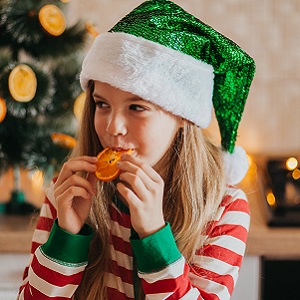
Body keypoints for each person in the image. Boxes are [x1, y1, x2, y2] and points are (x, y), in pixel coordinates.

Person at [18, 0, 255, 299]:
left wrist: (155, 236)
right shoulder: (68, 193)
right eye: (102, 104)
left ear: (182, 116)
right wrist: (66, 237)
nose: (113, 126)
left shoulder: (223, 208)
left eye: (137, 107)